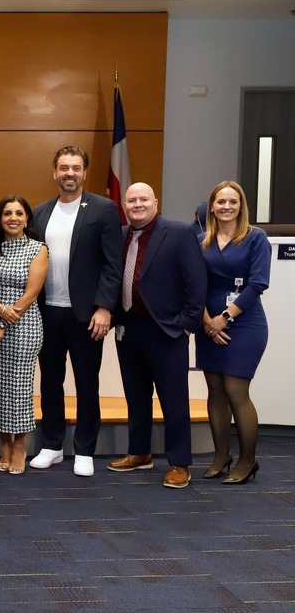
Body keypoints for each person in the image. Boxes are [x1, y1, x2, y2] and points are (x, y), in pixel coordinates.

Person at [29, 146, 124, 477]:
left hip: (87, 315)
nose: (70, 173)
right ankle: (52, 446)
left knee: (87, 382)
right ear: (54, 172)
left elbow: (114, 264)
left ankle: (85, 450)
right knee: (51, 382)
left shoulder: (104, 209)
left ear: (84, 172)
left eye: (76, 167)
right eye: (63, 167)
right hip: (48, 312)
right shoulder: (40, 212)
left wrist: (104, 307)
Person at [107, 183, 207, 488]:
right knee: (136, 396)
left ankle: (179, 463)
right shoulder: (120, 235)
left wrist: (187, 324)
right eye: (131, 200)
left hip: (167, 330)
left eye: (143, 199)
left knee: (173, 399)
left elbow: (196, 281)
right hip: (128, 328)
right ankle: (139, 452)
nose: (137, 204)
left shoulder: (178, 232)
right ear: (124, 204)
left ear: (155, 202)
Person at [195, 181, 270, 485]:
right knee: (214, 391)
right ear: (211, 207)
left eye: (233, 202)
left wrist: (224, 318)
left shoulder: (256, 238)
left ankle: (248, 460)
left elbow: (258, 284)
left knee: (236, 391)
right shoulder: (201, 240)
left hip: (245, 323)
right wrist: (207, 321)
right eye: (220, 202)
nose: (226, 207)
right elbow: (194, 283)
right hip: (207, 322)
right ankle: (220, 455)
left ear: (241, 206)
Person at [0, 196, 48, 475]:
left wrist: (5, 322)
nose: (13, 218)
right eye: (7, 213)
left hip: (24, 324)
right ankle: (3, 446)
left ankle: (19, 445)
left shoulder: (38, 248)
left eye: (19, 213)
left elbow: (32, 292)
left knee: (19, 388)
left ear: (27, 218)